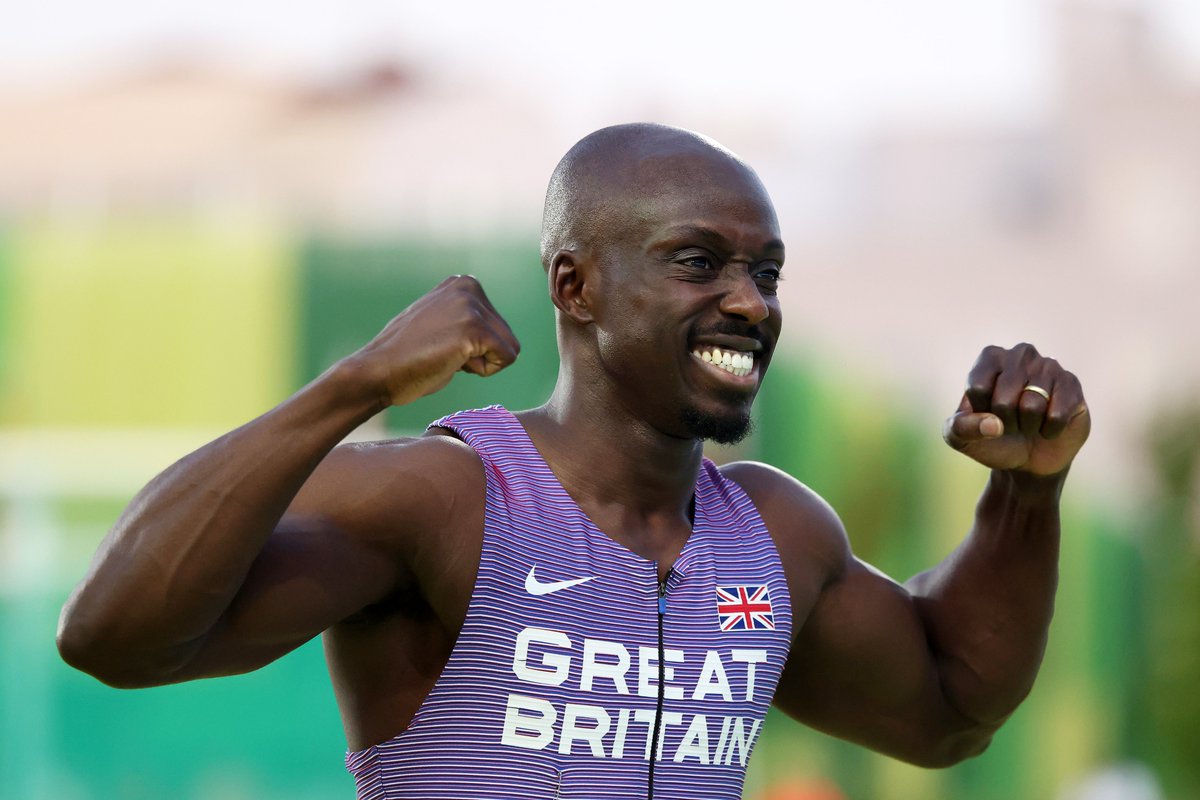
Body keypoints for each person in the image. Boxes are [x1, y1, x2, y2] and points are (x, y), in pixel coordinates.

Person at [57, 123, 1090, 799]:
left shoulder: (774, 534)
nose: (752, 300)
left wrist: (1024, 490)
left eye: (766, 271)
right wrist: (354, 385)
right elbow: (115, 635)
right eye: (700, 262)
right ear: (575, 284)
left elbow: (950, 713)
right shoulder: (447, 498)